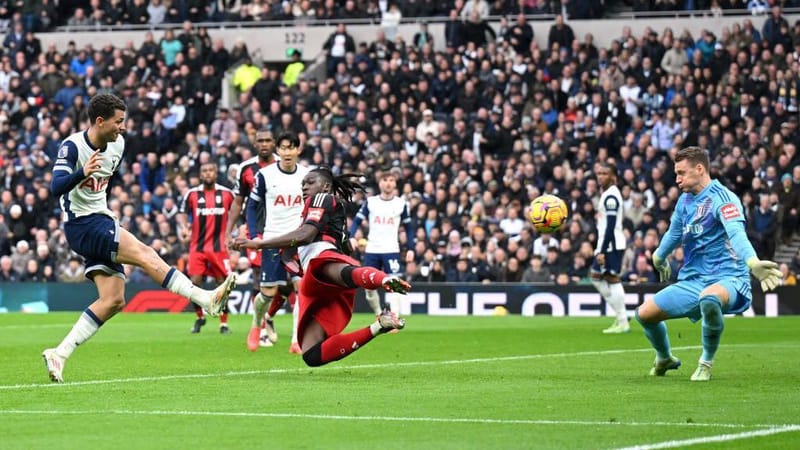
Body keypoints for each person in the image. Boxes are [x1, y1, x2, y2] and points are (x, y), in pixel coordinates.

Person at [43, 94, 235, 383]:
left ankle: (60, 353)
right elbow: (55, 187)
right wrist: (81, 172)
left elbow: (104, 181)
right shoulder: (72, 147)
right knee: (146, 254)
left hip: (101, 219)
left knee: (113, 300)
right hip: (83, 224)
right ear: (100, 121)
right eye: (118, 121)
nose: (123, 127)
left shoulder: (118, 145)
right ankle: (204, 298)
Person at [233, 167, 409, 367]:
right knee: (312, 355)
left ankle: (383, 279)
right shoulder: (329, 209)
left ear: (325, 186)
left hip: (321, 258)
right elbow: (345, 248)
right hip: (317, 278)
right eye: (303, 184)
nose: (304, 186)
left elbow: (306, 235)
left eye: (309, 182)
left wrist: (260, 243)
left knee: (330, 269)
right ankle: (379, 326)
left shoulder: (321, 199)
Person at [638, 147, 781, 382]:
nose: (677, 179)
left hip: (730, 278)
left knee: (710, 298)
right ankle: (664, 358)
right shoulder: (684, 202)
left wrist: (752, 261)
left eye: (681, 172)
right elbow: (674, 233)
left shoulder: (723, 198)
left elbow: (736, 233)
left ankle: (706, 362)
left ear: (700, 169)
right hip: (694, 280)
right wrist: (658, 257)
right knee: (644, 314)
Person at [245, 132, 309, 354]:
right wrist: (255, 235)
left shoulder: (308, 175)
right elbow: (251, 207)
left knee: (302, 289)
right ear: (278, 151)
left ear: (298, 150)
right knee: (267, 293)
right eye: (283, 148)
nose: (288, 152)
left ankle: (296, 340)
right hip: (272, 240)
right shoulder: (265, 175)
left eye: (292, 147)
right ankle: (256, 325)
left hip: (298, 241)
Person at [224, 128, 276, 348]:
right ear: (255, 144)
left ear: (274, 143)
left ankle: (270, 319)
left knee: (287, 284)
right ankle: (261, 327)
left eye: (268, 140)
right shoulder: (246, 169)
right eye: (260, 141)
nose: (264, 144)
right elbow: (238, 202)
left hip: (284, 230)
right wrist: (229, 231)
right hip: (258, 232)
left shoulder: (285, 166)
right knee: (260, 278)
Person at [177, 162, 235, 334]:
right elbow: (181, 212)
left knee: (223, 285)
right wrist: (184, 227)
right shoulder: (192, 194)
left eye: (211, 170)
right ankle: (199, 317)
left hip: (219, 248)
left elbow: (237, 213)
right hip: (198, 247)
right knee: (194, 284)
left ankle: (223, 324)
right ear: (200, 175)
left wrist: (234, 232)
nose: (208, 173)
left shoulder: (227, 194)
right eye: (205, 171)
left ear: (216, 173)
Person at [348, 171, 414, 316]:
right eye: (385, 180)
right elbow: (356, 221)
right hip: (372, 250)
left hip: (391, 249)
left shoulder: (401, 204)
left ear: (395, 183)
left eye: (391, 180)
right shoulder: (371, 202)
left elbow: (409, 228)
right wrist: (351, 237)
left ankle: (394, 317)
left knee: (395, 284)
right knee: (368, 287)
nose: (388, 183)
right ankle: (379, 314)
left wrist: (411, 248)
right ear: (380, 182)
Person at [591, 163, 630, 334]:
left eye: (604, 173)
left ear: (613, 176)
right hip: (606, 243)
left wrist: (602, 250)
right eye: (599, 173)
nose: (600, 176)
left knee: (611, 278)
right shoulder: (607, 195)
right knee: (596, 276)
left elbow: (611, 226)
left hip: (611, 244)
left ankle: (622, 320)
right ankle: (621, 315)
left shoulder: (611, 197)